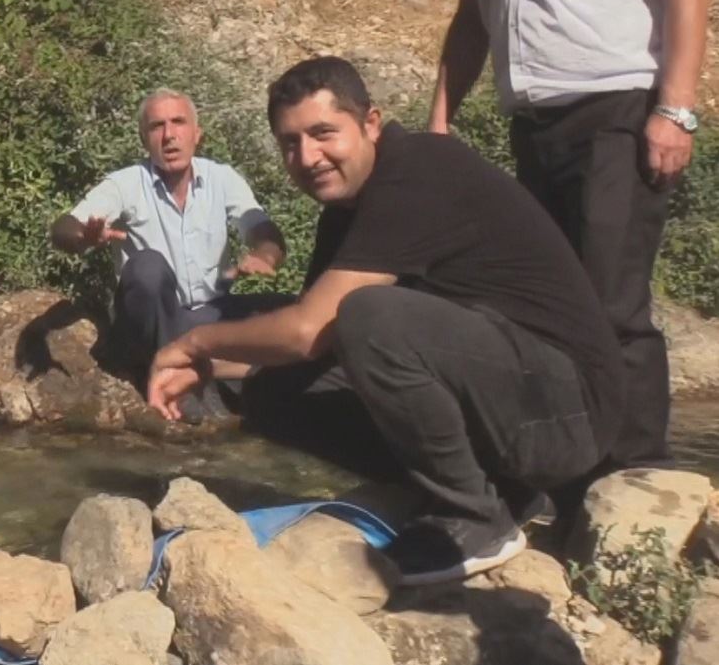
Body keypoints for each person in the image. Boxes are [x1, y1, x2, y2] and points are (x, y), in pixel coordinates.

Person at [148, 58, 623, 585]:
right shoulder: (347, 211)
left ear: (370, 123)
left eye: (323, 133)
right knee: (272, 391)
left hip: (569, 411)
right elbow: (310, 344)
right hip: (513, 398)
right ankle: (494, 490)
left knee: (369, 315)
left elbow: (307, 329)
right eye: (289, 143)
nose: (307, 156)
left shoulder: (420, 170)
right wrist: (207, 368)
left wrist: (194, 341)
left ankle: (474, 516)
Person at [428, 0, 709, 469]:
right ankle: (572, 466)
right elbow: (472, 20)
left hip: (617, 116)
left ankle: (635, 483)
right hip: (533, 130)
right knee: (552, 305)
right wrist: (438, 123)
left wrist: (676, 110)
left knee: (611, 304)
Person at [50, 88, 286, 384]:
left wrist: (264, 255)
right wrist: (83, 237)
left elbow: (261, 227)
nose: (169, 135)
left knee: (295, 311)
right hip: (147, 319)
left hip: (207, 314)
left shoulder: (222, 178)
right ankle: (172, 374)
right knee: (146, 266)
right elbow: (63, 228)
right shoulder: (126, 183)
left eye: (178, 122)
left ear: (197, 134)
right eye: (156, 126)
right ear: (143, 139)